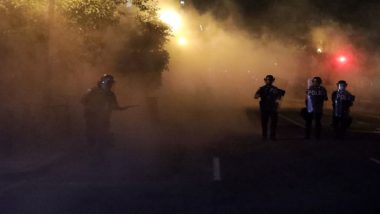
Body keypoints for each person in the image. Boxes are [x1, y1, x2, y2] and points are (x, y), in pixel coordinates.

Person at [81, 74, 132, 152]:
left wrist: (123, 108)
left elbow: (114, 106)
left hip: (101, 117)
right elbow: (83, 100)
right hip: (93, 116)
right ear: (103, 82)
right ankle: (93, 150)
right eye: (108, 83)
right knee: (93, 133)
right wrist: (92, 107)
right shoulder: (93, 91)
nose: (110, 85)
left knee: (101, 133)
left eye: (111, 83)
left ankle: (99, 151)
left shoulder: (109, 94)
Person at [255, 75, 286, 141]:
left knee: (273, 123)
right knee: (264, 123)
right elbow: (256, 96)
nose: (269, 81)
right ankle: (264, 136)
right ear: (265, 80)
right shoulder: (262, 88)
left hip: (273, 108)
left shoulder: (275, 89)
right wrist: (259, 96)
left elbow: (280, 95)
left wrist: (278, 101)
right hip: (265, 108)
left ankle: (272, 136)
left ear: (272, 81)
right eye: (268, 80)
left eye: (270, 80)